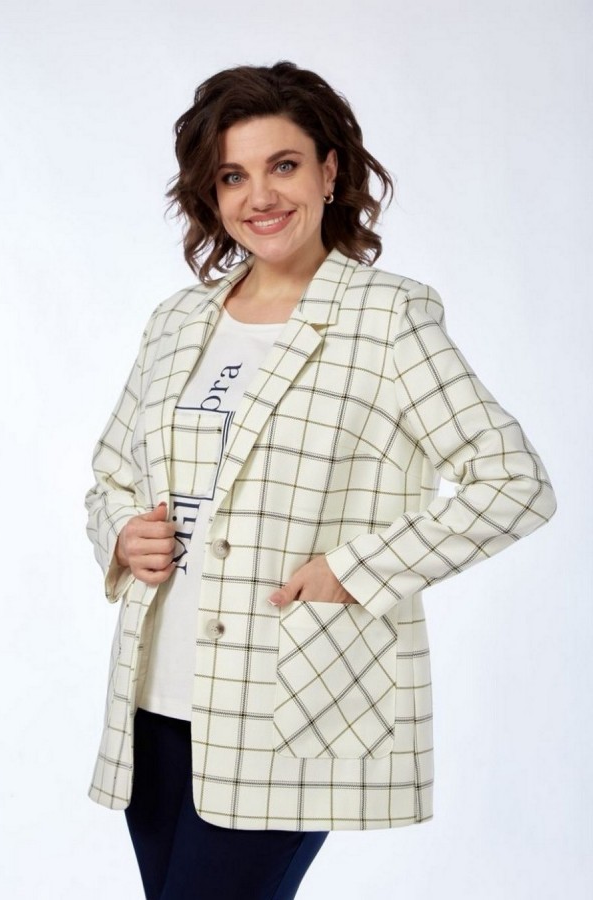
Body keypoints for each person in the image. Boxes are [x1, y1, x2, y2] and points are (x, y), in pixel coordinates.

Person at [85, 61, 557, 900]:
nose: (260, 196)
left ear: (329, 171)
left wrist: (353, 569)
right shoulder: (178, 320)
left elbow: (514, 482)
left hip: (288, 703)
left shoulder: (388, 317)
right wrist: (122, 534)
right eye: (233, 176)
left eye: (284, 165)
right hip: (153, 698)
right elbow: (111, 475)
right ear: (210, 194)